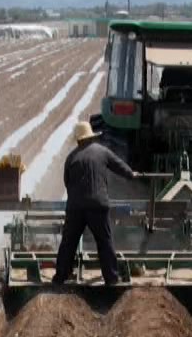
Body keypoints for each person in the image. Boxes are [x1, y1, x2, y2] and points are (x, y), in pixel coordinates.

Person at [55, 120, 136, 287]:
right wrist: (131, 174)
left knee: (68, 242)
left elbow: (66, 181)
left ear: (78, 140)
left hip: (76, 207)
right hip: (98, 205)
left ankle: (61, 277)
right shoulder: (102, 152)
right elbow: (120, 166)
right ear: (91, 137)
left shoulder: (71, 157)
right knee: (104, 241)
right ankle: (112, 279)